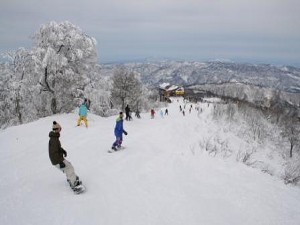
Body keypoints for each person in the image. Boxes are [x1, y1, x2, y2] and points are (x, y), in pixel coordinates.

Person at [48, 121, 82, 191]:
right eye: (60, 129)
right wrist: (60, 162)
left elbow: (57, 148)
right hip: (57, 160)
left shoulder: (55, 137)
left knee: (69, 165)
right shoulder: (54, 139)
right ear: (57, 129)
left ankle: (71, 178)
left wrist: (63, 150)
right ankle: (74, 183)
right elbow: (54, 152)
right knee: (69, 168)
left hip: (58, 158)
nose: (61, 130)